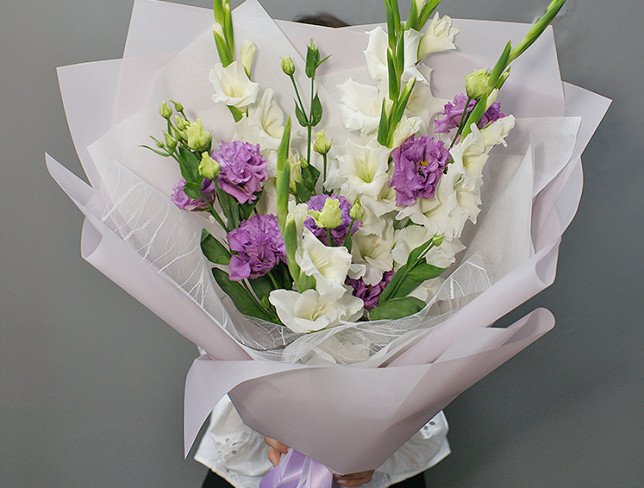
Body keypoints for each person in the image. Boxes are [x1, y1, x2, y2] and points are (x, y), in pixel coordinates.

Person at [197, 12, 450, 488]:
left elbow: (408, 312)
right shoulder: (256, 183)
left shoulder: (376, 178)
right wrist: (271, 416)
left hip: (375, 453)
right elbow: (229, 314)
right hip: (263, 453)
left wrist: (366, 441)